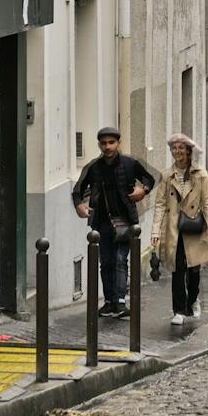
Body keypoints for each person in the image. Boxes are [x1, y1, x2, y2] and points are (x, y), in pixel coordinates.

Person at [72, 127, 157, 317]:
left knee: (120, 260)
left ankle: (120, 302)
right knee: (106, 262)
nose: (107, 146)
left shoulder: (130, 163)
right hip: (101, 222)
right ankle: (109, 301)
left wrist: (143, 190)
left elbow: (151, 178)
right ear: (99, 145)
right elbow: (77, 190)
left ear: (118, 143)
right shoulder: (93, 167)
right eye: (104, 143)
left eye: (111, 142)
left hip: (125, 221)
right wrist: (80, 206)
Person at [150, 133, 208, 327]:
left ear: (188, 152)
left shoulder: (201, 175)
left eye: (181, 148)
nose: (177, 152)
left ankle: (193, 299)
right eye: (174, 148)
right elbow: (161, 205)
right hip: (173, 229)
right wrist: (155, 232)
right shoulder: (166, 176)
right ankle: (179, 310)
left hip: (194, 226)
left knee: (194, 269)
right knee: (177, 269)